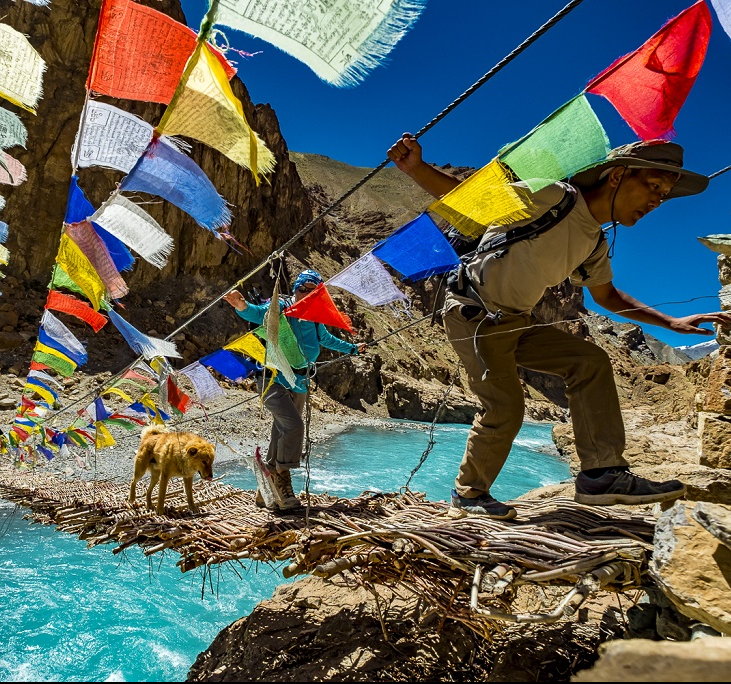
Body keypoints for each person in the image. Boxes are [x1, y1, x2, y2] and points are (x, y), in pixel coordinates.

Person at [388, 134, 731, 519]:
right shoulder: (553, 197)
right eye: (653, 186)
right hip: (475, 314)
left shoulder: (595, 243)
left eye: (664, 195)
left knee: (589, 361)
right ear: (616, 176)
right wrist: (417, 167)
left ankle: (601, 475)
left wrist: (670, 321)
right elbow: (474, 204)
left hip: (517, 321)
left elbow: (608, 298)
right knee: (505, 406)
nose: (657, 201)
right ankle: (469, 495)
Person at [224, 269, 366, 511]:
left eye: (313, 292)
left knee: (282, 431)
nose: (306, 295)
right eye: (303, 289)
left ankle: (265, 492)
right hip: (272, 378)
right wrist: (241, 305)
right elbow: (258, 314)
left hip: (300, 381)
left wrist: (353, 349)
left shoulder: (314, 316)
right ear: (295, 288)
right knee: (293, 426)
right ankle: (283, 478)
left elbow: (326, 339)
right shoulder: (280, 306)